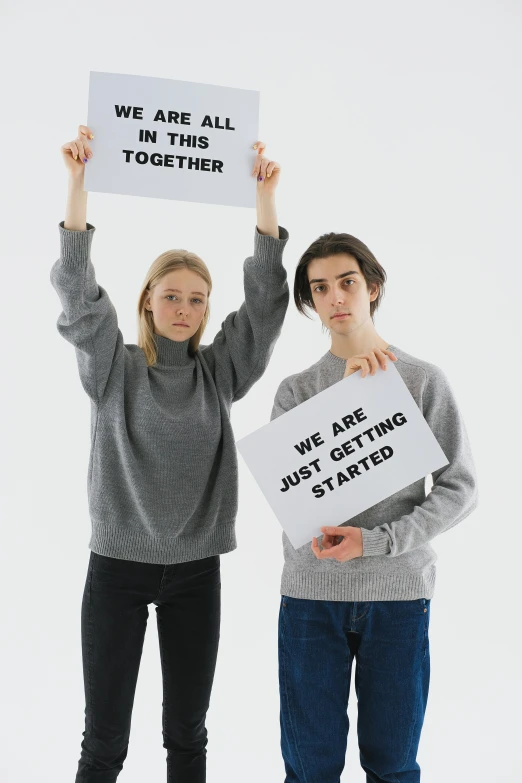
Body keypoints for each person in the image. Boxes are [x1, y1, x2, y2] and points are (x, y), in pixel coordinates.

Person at [50, 124, 290, 783]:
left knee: (187, 737)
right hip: (117, 570)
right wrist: (78, 187)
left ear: (208, 309)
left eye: (196, 298)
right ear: (148, 303)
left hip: (195, 574)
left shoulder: (220, 372)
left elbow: (267, 306)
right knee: (104, 742)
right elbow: (76, 293)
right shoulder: (112, 368)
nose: (184, 307)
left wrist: (265, 201)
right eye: (171, 295)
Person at [270, 231, 478, 783]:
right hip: (313, 597)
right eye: (320, 288)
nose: (335, 297)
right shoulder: (295, 391)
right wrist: (348, 396)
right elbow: (295, 495)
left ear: (373, 288)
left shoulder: (423, 380)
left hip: (399, 597)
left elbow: (460, 486)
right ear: (310, 303)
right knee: (309, 768)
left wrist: (380, 541)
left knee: (392, 765)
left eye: (347, 282)